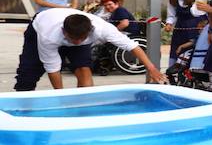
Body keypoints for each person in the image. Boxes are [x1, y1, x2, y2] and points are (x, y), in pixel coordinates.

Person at [15, 8, 166, 90]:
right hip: (39, 25)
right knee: (28, 75)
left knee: (84, 69)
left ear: (89, 32)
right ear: (64, 32)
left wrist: (151, 68)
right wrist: (60, 97)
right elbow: (52, 68)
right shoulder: (48, 35)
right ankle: (22, 106)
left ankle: (83, 105)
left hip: (76, 24)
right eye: (73, 39)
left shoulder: (102, 29)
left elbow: (131, 45)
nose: (76, 42)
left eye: (81, 39)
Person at [166, 0, 203, 69]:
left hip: (194, 26)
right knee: (176, 48)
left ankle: (191, 71)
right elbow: (171, 14)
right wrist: (169, 24)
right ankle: (174, 70)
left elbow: (201, 13)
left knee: (192, 47)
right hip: (180, 26)